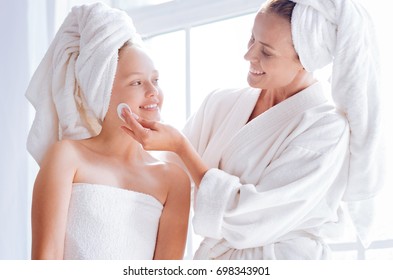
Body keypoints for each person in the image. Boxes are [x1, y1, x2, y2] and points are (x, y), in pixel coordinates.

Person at [121, 0, 384, 259]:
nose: (248, 55)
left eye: (266, 52)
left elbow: (249, 219)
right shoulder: (220, 103)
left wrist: (181, 146)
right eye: (251, 39)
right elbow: (166, 179)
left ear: (306, 60)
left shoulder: (326, 129)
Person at [26, 3, 190, 260]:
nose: (153, 92)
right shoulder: (66, 157)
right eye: (137, 82)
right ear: (103, 92)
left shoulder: (174, 180)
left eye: (155, 80)